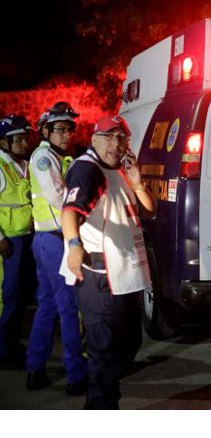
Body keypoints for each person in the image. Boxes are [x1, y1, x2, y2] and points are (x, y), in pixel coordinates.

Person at [60, 115, 155, 410]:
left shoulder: (121, 170)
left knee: (127, 347)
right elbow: (70, 212)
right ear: (94, 139)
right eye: (109, 136)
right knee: (105, 358)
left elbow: (149, 211)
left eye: (122, 137)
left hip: (126, 275)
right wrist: (74, 245)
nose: (116, 143)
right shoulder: (89, 170)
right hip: (101, 279)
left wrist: (138, 184)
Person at [25, 102, 88, 394]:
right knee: (67, 305)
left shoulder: (58, 156)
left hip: (47, 240)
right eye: (61, 129)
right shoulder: (43, 158)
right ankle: (76, 376)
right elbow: (59, 197)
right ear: (46, 130)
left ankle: (35, 369)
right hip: (53, 239)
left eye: (70, 130)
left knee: (48, 305)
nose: (67, 135)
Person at [0, 115, 34, 370]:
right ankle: (4, 352)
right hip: (9, 241)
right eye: (18, 140)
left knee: (21, 296)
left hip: (24, 238)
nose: (25, 143)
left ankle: (11, 344)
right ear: (4, 142)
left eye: (25, 138)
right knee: (8, 298)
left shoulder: (21, 163)